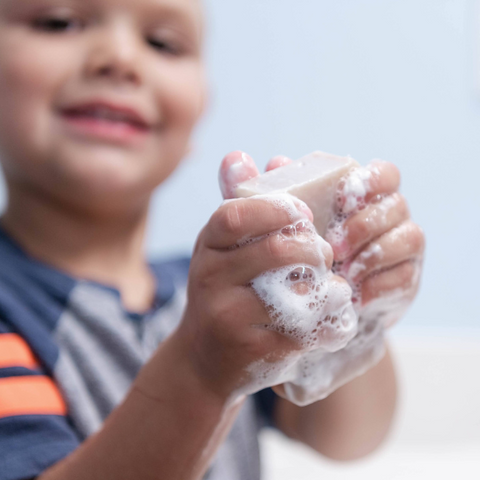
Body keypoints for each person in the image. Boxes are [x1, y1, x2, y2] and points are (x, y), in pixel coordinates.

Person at [0, 0, 425, 479]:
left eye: (163, 43)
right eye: (58, 22)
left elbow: (346, 438)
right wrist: (203, 373)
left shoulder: (221, 291)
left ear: (198, 119)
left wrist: (352, 318)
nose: (120, 57)